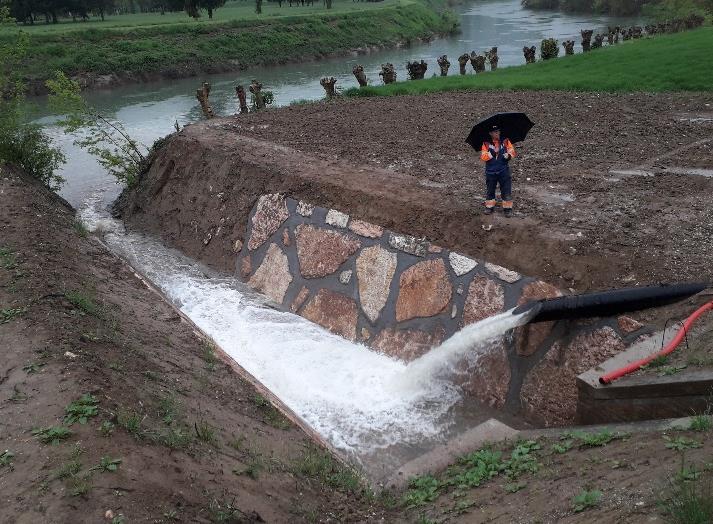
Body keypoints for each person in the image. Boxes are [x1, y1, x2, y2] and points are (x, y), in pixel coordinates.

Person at [480, 125, 516, 217]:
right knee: (490, 190)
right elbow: (483, 157)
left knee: (506, 189)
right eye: (495, 132)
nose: (498, 133)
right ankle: (489, 207)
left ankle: (507, 209)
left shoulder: (505, 141)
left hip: (503, 170)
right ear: (490, 133)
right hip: (491, 171)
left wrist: (508, 156)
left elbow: (512, 151)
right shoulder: (486, 144)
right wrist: (492, 153)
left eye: (498, 131)